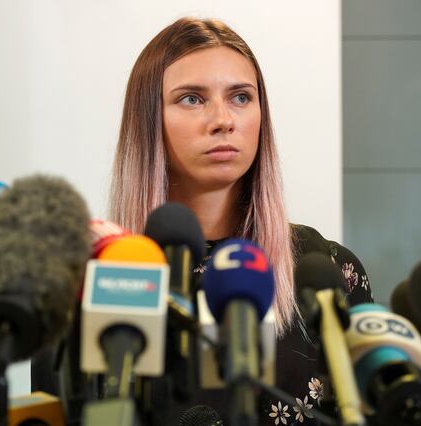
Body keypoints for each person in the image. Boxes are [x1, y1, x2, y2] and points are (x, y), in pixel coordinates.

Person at [109, 17, 373, 425]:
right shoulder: (100, 280)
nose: (223, 120)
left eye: (241, 97)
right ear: (148, 121)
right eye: (192, 98)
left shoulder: (326, 273)